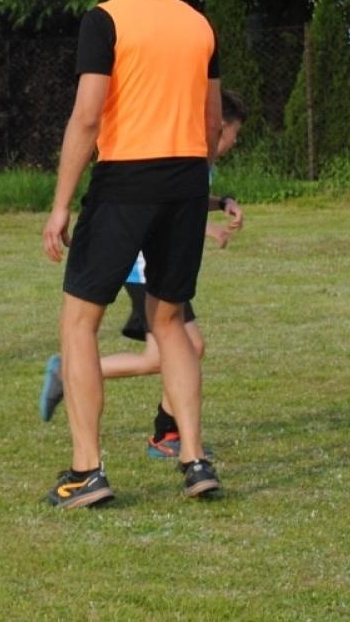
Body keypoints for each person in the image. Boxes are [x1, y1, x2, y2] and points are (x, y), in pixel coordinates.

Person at [41, 0, 223, 508]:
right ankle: (194, 458)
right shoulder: (197, 22)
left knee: (79, 324)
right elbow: (213, 122)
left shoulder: (105, 19)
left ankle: (86, 471)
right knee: (169, 322)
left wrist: (61, 202)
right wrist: (199, 180)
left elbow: (89, 114)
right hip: (188, 179)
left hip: (125, 183)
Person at [40, 90, 248, 460]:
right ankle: (160, 430)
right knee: (182, 347)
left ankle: (165, 431)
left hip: (150, 258)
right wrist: (206, 228)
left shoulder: (197, 154)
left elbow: (188, 201)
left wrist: (222, 203)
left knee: (178, 349)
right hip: (142, 263)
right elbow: (162, 208)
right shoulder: (190, 148)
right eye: (235, 132)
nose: (233, 141)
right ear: (218, 124)